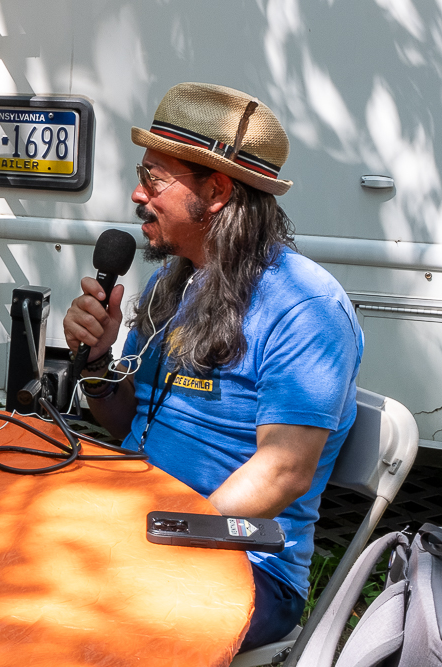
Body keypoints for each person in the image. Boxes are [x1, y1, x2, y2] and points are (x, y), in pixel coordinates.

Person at [63, 82, 363, 650]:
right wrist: (99, 359)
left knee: (71, 625)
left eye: (154, 178)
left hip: (246, 568)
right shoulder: (170, 282)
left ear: (218, 192)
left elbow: (282, 472)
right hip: (141, 529)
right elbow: (130, 425)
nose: (136, 193)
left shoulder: (305, 307)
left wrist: (156, 536)